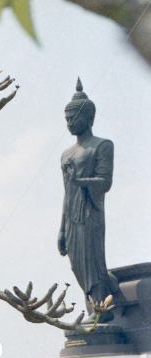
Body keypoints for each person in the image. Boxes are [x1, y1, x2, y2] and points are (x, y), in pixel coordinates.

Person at [58, 78, 117, 319]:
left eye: (74, 118)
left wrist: (79, 182)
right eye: (66, 119)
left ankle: (102, 309)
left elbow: (105, 183)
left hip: (91, 213)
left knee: (92, 261)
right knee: (77, 265)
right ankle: (99, 306)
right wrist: (61, 229)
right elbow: (66, 193)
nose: (70, 123)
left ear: (89, 118)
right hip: (72, 217)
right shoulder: (66, 154)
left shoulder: (102, 146)